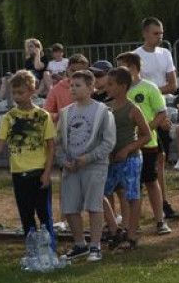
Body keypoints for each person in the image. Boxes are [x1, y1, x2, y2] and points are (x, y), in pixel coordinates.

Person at [0, 70, 57, 245]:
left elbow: (51, 146)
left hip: (38, 171)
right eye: (14, 93)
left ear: (32, 91)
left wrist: (47, 173)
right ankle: (31, 249)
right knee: (25, 214)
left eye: (20, 92)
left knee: (44, 214)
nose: (16, 96)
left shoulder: (43, 116)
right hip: (18, 172)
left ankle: (50, 249)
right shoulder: (9, 117)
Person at [55, 70, 116, 262]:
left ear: (91, 88)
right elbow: (58, 141)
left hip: (94, 166)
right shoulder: (66, 112)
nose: (73, 89)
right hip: (71, 167)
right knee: (70, 206)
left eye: (78, 85)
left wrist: (89, 158)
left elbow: (108, 142)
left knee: (94, 205)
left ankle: (95, 246)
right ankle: (80, 244)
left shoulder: (102, 111)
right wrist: (63, 161)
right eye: (71, 85)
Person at [115, 52, 171, 235]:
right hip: (126, 147)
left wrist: (146, 129)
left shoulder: (149, 88)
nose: (116, 71)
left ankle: (160, 220)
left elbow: (161, 113)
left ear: (132, 68)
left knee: (151, 181)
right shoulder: (119, 91)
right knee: (129, 187)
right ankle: (132, 225)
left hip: (147, 144)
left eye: (120, 67)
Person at [133, 17, 179, 221]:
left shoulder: (165, 53)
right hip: (142, 113)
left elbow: (173, 84)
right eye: (155, 33)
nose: (159, 37)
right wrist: (152, 95)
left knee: (161, 159)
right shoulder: (136, 56)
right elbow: (134, 87)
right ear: (145, 33)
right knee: (142, 159)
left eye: (161, 33)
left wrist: (152, 95)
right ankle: (137, 202)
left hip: (161, 111)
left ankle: (162, 202)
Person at [103, 67, 151, 250]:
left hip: (130, 159)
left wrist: (127, 149)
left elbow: (146, 135)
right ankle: (115, 230)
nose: (107, 87)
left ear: (123, 86)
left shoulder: (133, 109)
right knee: (104, 192)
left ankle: (131, 235)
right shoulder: (107, 108)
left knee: (132, 196)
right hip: (111, 159)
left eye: (111, 84)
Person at [44, 53, 89, 123]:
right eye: (73, 70)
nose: (76, 74)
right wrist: (61, 116)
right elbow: (46, 113)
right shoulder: (56, 89)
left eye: (81, 72)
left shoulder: (91, 88)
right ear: (67, 69)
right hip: (64, 127)